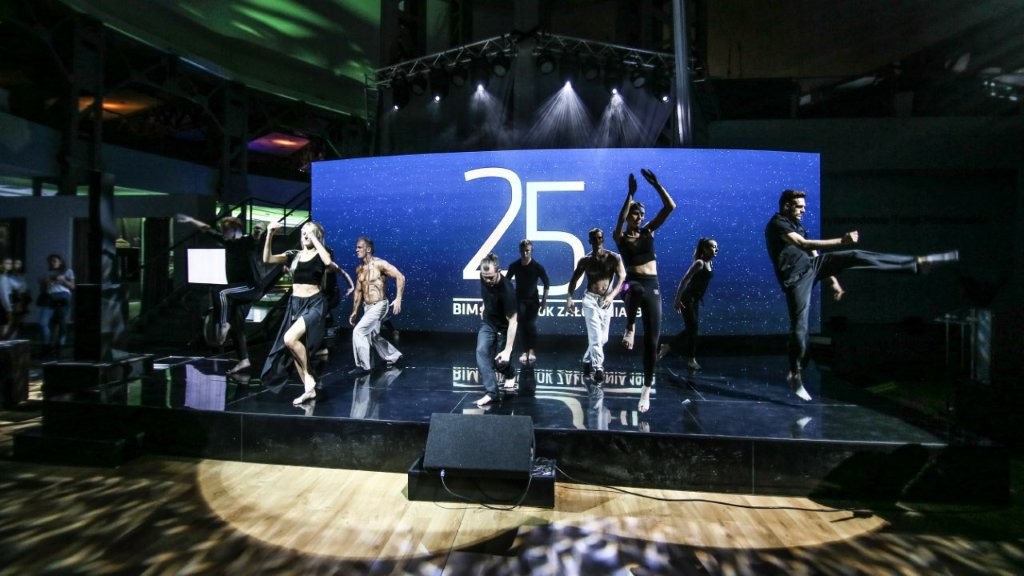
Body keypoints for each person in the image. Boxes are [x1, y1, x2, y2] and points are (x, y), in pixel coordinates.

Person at [765, 189, 959, 401]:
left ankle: (915, 264)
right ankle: (795, 373)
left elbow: (812, 253)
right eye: (800, 206)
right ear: (787, 206)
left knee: (855, 255)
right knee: (800, 327)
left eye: (804, 206)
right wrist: (842, 240)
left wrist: (833, 281)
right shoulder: (777, 224)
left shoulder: (796, 223)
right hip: (796, 279)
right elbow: (803, 244)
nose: (804, 210)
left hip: (812, 265)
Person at [613, 168, 676, 413]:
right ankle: (629, 327)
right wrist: (630, 194)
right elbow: (619, 220)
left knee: (652, 342)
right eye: (635, 213)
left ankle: (646, 389)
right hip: (629, 285)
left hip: (652, 286)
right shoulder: (620, 237)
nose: (639, 217)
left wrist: (657, 184)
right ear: (629, 215)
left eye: (641, 214)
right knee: (636, 288)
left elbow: (670, 207)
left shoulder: (648, 231)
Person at [177, 214, 263, 374]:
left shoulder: (246, 241)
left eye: (225, 231)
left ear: (235, 231)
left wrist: (257, 230)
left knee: (220, 291)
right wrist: (191, 220)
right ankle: (244, 360)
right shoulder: (227, 242)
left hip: (251, 287)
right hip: (239, 290)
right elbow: (207, 229)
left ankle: (223, 324)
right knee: (237, 325)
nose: (222, 234)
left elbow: (255, 237)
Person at [260, 220, 333, 405]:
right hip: (295, 304)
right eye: (303, 232)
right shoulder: (294, 255)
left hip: (315, 304)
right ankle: (309, 389)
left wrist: (314, 238)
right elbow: (267, 259)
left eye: (310, 232)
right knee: (294, 348)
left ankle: (309, 378)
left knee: (289, 338)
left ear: (317, 236)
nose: (305, 234)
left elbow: (328, 262)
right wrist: (270, 234)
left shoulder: (322, 254)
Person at [566, 228, 626, 385]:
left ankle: (586, 359)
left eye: (600, 238)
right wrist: (569, 297)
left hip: (606, 301)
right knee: (595, 336)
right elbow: (573, 280)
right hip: (590, 300)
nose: (597, 241)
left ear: (603, 239)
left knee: (603, 338)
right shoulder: (585, 261)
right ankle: (599, 368)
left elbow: (622, 278)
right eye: (594, 238)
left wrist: (611, 296)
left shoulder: (614, 258)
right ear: (590, 241)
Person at [659, 237, 719, 371]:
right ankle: (689, 359)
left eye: (716, 247)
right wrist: (677, 299)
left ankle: (670, 347)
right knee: (692, 328)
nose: (716, 249)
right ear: (705, 249)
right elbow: (685, 280)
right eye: (713, 246)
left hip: (695, 300)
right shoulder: (699, 263)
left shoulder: (710, 263)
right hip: (688, 299)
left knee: (692, 330)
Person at [348, 237, 404, 376]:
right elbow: (358, 291)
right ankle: (394, 356)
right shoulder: (360, 269)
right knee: (372, 335)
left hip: (379, 305)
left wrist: (398, 298)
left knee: (359, 331)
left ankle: (364, 366)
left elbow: (400, 277)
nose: (356, 250)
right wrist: (354, 311)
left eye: (359, 247)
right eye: (356, 247)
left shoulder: (380, 264)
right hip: (367, 307)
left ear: (368, 249)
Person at [474, 253, 519, 407]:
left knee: (500, 363)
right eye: (485, 277)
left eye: (491, 278)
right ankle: (492, 393)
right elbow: (486, 292)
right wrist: (484, 305)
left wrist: (507, 350)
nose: (487, 280)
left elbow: (513, 321)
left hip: (505, 328)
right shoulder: (484, 276)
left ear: (498, 271)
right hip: (488, 323)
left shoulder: (507, 290)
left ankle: (510, 373)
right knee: (481, 352)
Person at [506, 239, 550, 365]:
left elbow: (547, 283)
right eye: (523, 251)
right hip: (519, 300)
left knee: (531, 325)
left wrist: (544, 302)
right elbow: (506, 282)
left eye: (527, 251)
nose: (525, 253)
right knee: (522, 325)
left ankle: (531, 350)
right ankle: (524, 351)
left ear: (531, 251)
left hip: (533, 301)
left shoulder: (537, 267)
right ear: (520, 251)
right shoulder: (514, 266)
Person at [38, 254, 75, 356]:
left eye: (54, 261)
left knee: (60, 322)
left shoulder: (68, 271)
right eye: (50, 261)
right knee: (43, 322)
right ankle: (47, 345)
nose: (52, 263)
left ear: (60, 262)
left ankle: (60, 346)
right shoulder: (47, 273)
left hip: (62, 297)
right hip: (49, 298)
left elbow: (72, 286)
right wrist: (44, 283)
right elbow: (43, 288)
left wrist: (63, 279)